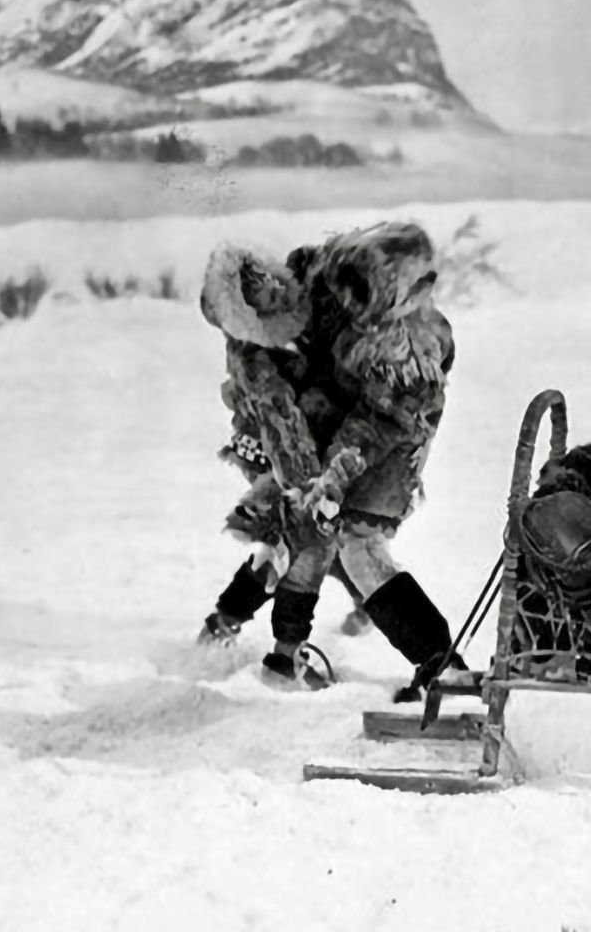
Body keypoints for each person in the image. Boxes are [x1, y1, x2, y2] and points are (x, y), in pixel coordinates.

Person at [195, 222, 464, 701]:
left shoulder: (394, 334)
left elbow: (384, 415)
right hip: (326, 415)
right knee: (298, 525)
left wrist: (333, 477)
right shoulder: (258, 343)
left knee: (356, 543)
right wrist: (304, 481)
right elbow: (276, 412)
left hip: (392, 420)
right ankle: (240, 630)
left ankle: (441, 666)